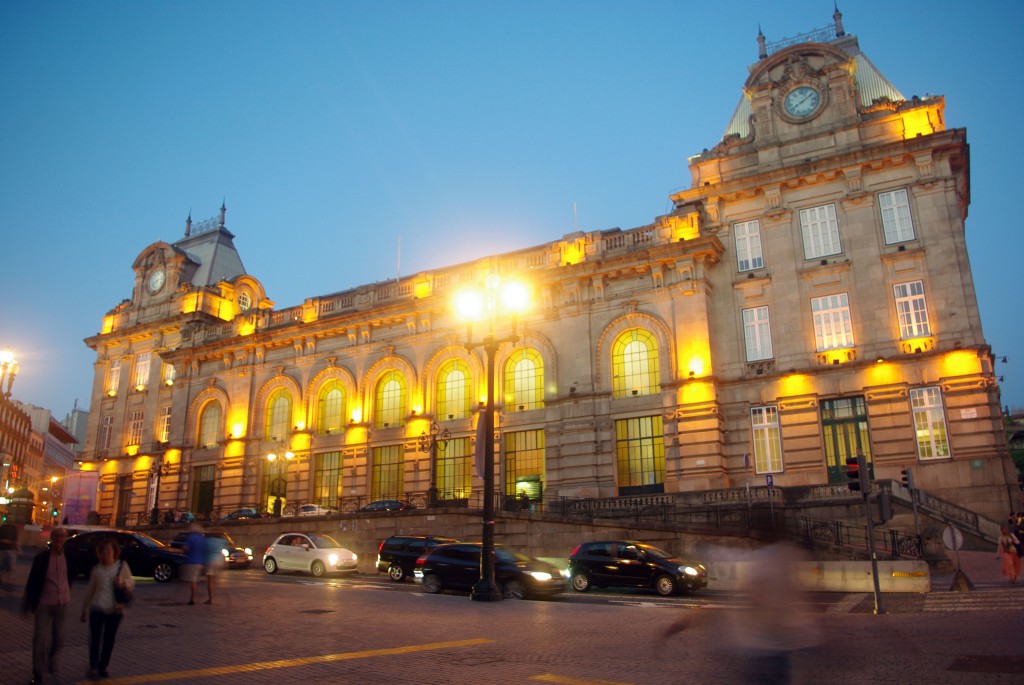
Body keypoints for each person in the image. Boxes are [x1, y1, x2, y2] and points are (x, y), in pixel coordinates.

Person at [21, 527, 72, 685]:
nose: (58, 539)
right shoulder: (41, 558)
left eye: (62, 536)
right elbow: (32, 582)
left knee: (59, 638)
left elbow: (72, 575)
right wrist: (27, 603)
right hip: (44, 603)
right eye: (56, 536)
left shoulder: (70, 557)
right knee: (40, 639)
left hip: (62, 604)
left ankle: (51, 658)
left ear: (65, 539)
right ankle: (38, 672)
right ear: (51, 538)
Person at [80, 538, 134, 679]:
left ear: (115, 552)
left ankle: (103, 665)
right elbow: (90, 591)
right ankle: (93, 666)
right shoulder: (96, 570)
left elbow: (131, 582)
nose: (106, 553)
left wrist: (122, 583)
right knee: (95, 639)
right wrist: (85, 609)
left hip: (115, 610)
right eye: (103, 551)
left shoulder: (121, 566)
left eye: (108, 550)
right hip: (97, 608)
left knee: (109, 639)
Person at [181, 524, 208, 605]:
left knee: (193, 581)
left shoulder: (191, 538)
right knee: (195, 580)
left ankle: (192, 599)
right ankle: (194, 596)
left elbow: (186, 548)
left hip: (192, 561)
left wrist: (182, 548)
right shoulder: (202, 538)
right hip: (200, 562)